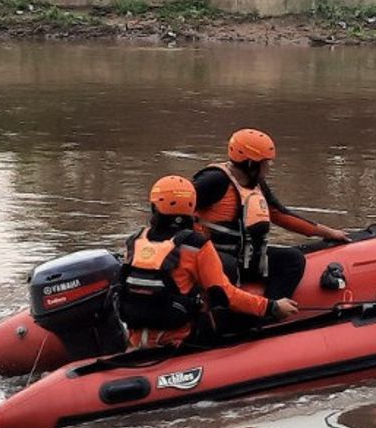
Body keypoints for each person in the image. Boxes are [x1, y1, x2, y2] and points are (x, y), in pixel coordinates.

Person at [117, 175, 299, 349]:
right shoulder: (196, 245)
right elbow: (225, 295)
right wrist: (272, 306)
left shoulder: (134, 241)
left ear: (154, 206)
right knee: (244, 318)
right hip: (181, 339)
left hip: (136, 336)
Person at [192, 128, 350, 304]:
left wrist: (329, 233)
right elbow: (173, 211)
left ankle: (271, 312)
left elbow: (279, 214)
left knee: (292, 259)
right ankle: (221, 319)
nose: (269, 167)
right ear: (250, 164)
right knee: (227, 266)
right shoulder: (214, 180)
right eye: (265, 163)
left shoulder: (256, 183)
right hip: (214, 257)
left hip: (245, 257)